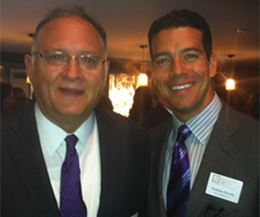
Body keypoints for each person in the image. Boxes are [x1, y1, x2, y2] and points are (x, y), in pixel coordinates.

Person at [1, 6, 150, 217]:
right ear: (31, 67)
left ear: (105, 71)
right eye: (57, 56)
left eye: (88, 59)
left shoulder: (135, 141)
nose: (73, 73)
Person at [146, 9, 259, 217]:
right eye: (163, 60)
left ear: (212, 64)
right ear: (153, 72)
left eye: (190, 56)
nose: (177, 71)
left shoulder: (255, 142)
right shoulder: (148, 144)